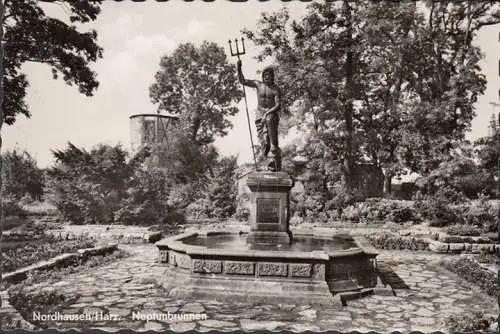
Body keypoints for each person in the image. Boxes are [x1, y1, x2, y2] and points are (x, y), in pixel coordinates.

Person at [237, 59, 282, 171]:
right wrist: (238, 68)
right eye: (264, 75)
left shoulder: (276, 89)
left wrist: (267, 113)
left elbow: (278, 105)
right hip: (259, 115)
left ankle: (275, 160)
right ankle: (268, 162)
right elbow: (242, 81)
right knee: (264, 142)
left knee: (272, 140)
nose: (266, 77)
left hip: (271, 115)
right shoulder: (258, 84)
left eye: (268, 75)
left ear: (272, 76)